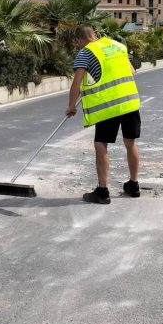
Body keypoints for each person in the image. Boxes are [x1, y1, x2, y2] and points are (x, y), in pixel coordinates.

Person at [66, 25, 141, 204]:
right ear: (95, 34)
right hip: (130, 102)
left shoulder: (86, 52)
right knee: (130, 143)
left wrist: (71, 106)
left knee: (101, 144)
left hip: (109, 106)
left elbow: (76, 83)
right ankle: (134, 185)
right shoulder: (118, 46)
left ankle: (102, 191)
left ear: (79, 40)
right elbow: (132, 72)